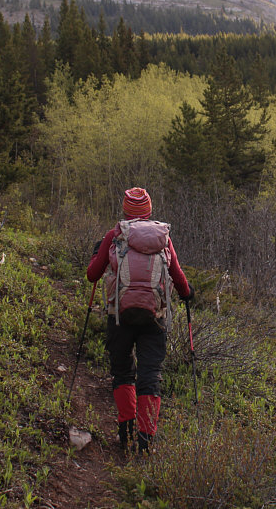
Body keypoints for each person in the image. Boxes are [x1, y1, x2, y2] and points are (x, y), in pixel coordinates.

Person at [87, 187, 193, 455]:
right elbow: (177, 275)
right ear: (149, 211)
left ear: (125, 210)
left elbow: (92, 275)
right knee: (150, 375)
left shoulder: (114, 235)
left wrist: (97, 254)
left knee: (123, 372)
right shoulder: (162, 238)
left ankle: (126, 432)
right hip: (154, 318)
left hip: (119, 317)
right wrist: (187, 293)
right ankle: (146, 441)